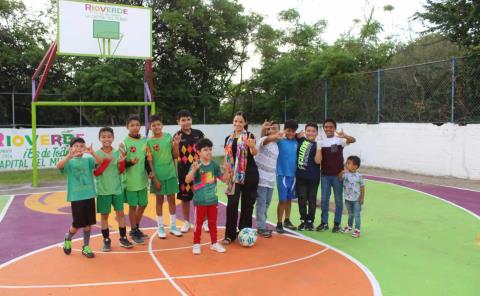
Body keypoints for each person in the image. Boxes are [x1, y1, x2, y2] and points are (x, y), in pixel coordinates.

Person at [57, 137, 102, 258]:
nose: (79, 148)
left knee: (88, 224)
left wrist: (92, 152)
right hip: (76, 197)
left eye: (81, 146)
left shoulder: (88, 160)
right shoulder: (69, 162)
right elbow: (58, 166)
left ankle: (86, 247)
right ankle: (68, 237)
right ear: (71, 148)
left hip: (89, 195)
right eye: (76, 146)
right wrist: (68, 156)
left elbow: (100, 162)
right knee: (76, 225)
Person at [185, 138, 231, 254]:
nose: (209, 152)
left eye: (210, 149)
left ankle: (214, 243)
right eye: (205, 150)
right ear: (199, 152)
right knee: (198, 223)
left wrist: (226, 171)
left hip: (212, 200)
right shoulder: (196, 165)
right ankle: (196, 244)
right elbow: (187, 180)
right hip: (200, 201)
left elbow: (224, 180)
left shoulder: (214, 165)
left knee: (212, 223)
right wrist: (193, 171)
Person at [94, 127, 133, 251]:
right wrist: (106, 162)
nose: (106, 139)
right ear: (99, 139)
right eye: (103, 136)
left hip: (117, 189)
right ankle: (106, 240)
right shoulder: (97, 154)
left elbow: (120, 171)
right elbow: (96, 173)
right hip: (103, 190)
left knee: (120, 214)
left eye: (109, 136)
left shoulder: (117, 153)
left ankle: (123, 237)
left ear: (113, 138)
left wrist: (121, 163)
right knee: (104, 216)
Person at [222, 111, 259, 245]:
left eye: (240, 122)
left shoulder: (249, 136)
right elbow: (226, 158)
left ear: (245, 123)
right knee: (232, 204)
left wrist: (252, 146)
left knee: (247, 205)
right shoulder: (228, 138)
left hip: (249, 173)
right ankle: (229, 235)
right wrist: (226, 173)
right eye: (235, 121)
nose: (237, 124)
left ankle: (245, 232)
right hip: (233, 175)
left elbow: (254, 153)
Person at [317, 119, 356, 233]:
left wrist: (345, 135)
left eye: (331, 127)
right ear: (324, 128)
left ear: (334, 128)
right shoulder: (321, 141)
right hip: (325, 176)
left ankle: (336, 224)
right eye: (326, 127)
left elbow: (353, 140)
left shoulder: (339, 140)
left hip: (338, 176)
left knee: (338, 200)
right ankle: (324, 223)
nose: (328, 129)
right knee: (324, 200)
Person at [147, 115, 182, 238]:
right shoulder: (149, 142)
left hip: (171, 173)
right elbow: (150, 161)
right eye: (153, 125)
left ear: (162, 125)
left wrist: (176, 144)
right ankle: (160, 228)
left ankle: (173, 226)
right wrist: (154, 177)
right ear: (150, 127)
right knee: (159, 200)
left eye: (158, 124)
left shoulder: (168, 137)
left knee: (172, 199)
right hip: (158, 176)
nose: (156, 127)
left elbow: (175, 155)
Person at [175, 109, 207, 233]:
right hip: (184, 171)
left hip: (200, 170)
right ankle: (186, 222)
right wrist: (175, 144)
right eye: (183, 120)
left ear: (191, 120)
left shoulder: (199, 134)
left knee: (202, 196)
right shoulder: (177, 136)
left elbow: (206, 149)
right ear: (178, 122)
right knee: (185, 198)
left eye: (188, 119)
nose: (186, 122)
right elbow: (175, 154)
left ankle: (204, 221)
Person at [119, 114, 150, 244]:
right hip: (130, 181)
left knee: (143, 204)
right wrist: (130, 162)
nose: (135, 127)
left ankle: (135, 228)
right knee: (133, 206)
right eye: (132, 125)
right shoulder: (124, 143)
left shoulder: (144, 140)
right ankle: (134, 229)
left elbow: (147, 158)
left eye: (137, 125)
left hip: (142, 179)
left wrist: (150, 172)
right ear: (127, 127)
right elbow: (120, 163)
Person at [254, 120, 282, 238]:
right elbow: (266, 139)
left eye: (274, 128)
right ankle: (261, 227)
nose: (271, 130)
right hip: (261, 179)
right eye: (270, 128)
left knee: (266, 203)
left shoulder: (276, 145)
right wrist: (271, 134)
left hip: (270, 180)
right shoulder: (263, 140)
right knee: (261, 203)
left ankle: (263, 224)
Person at [296, 122, 322, 231]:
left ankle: (310, 221)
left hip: (313, 178)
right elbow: (291, 135)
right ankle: (303, 220)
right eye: (308, 131)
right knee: (302, 199)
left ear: (316, 133)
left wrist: (319, 148)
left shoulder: (318, 145)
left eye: (313, 131)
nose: (311, 133)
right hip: (300, 177)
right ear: (305, 131)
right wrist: (298, 135)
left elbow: (317, 161)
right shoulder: (300, 140)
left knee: (312, 200)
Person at [275, 119, 299, 233]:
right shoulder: (279, 141)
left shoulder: (296, 141)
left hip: (293, 176)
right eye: (288, 130)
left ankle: (287, 220)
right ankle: (279, 223)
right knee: (282, 200)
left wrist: (298, 136)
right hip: (282, 175)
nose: (290, 133)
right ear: (284, 130)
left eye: (293, 131)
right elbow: (269, 137)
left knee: (289, 199)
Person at [340, 156, 365, 238]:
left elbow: (362, 187)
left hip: (356, 200)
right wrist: (341, 173)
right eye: (346, 163)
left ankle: (357, 230)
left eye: (349, 163)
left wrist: (362, 198)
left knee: (357, 215)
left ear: (355, 166)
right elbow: (340, 179)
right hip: (347, 199)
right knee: (350, 214)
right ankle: (350, 227)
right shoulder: (346, 175)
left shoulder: (359, 176)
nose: (346, 165)